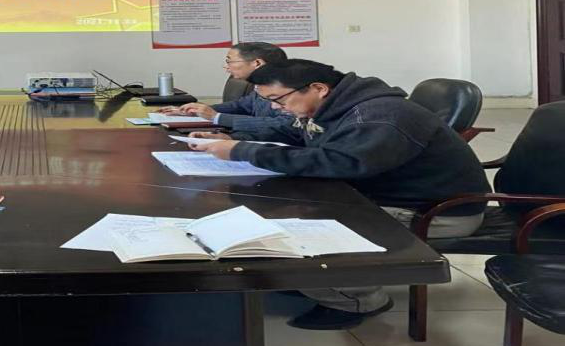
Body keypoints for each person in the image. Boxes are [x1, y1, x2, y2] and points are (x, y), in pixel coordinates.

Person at [187, 59, 490, 330]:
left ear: (318, 88)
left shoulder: (379, 116)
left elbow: (340, 163)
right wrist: (233, 138)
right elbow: (296, 133)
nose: (276, 108)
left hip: (436, 212)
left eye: (278, 100)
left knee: (291, 229)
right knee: (276, 206)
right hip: (382, 196)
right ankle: (321, 281)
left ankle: (356, 300)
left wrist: (243, 151)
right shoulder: (338, 105)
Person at [162, 42, 292, 131]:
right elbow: (241, 106)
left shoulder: (289, 89)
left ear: (257, 63)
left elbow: (283, 124)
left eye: (229, 61)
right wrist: (196, 111)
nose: (226, 66)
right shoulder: (260, 85)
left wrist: (216, 117)